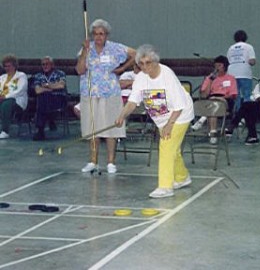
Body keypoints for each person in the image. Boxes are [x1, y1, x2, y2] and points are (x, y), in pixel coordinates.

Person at [115, 44, 194, 198]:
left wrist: (169, 125)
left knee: (165, 145)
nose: (145, 67)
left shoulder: (167, 76)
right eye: (141, 64)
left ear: (156, 61)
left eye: (148, 63)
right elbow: (133, 102)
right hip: (161, 117)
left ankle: (165, 186)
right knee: (173, 150)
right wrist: (122, 115)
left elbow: (178, 106)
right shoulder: (140, 78)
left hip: (180, 114)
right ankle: (182, 177)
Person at [76, 18, 136, 174]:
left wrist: (122, 68)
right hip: (90, 93)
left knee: (112, 128)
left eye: (101, 34)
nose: (98, 37)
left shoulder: (115, 48)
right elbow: (80, 70)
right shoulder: (86, 49)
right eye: (95, 34)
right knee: (93, 128)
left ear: (106, 35)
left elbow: (136, 54)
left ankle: (111, 162)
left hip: (110, 93)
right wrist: (84, 51)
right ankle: (93, 161)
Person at [191, 55, 237, 144]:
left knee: (213, 105)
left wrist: (219, 98)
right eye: (216, 66)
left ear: (225, 66)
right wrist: (211, 81)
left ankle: (202, 119)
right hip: (211, 100)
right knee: (212, 108)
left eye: (220, 66)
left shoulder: (231, 78)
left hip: (225, 100)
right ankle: (213, 133)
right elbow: (204, 95)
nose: (217, 68)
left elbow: (233, 95)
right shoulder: (209, 78)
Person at [32, 56, 67, 141]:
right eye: (43, 64)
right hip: (44, 99)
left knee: (44, 97)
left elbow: (61, 85)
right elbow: (37, 90)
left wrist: (46, 86)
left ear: (52, 65)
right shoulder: (38, 76)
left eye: (47, 64)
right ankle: (49, 120)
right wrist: (51, 87)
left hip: (58, 98)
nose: (45, 66)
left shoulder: (60, 73)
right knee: (44, 97)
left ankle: (40, 130)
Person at [227, 30, 256, 114]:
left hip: (232, 73)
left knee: (236, 96)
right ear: (245, 38)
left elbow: (228, 61)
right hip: (244, 73)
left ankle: (237, 116)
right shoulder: (249, 47)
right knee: (247, 95)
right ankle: (246, 116)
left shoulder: (231, 48)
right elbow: (252, 61)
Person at [0, 54, 28, 139]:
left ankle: (5, 131)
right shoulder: (2, 77)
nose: (7, 68)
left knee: (7, 103)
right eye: (5, 66)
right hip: (2, 99)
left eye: (9, 66)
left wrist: (5, 97)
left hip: (16, 102)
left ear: (15, 66)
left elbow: (20, 90)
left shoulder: (21, 76)